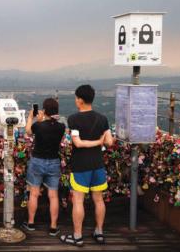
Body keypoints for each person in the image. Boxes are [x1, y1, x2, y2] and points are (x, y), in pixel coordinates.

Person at [60, 84, 114, 247]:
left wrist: (96, 141)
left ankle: (77, 236)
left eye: (76, 98)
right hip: (98, 164)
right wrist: (100, 141)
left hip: (81, 166)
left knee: (78, 200)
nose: (76, 101)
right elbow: (110, 142)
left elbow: (78, 143)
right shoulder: (103, 118)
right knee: (98, 199)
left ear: (81, 100)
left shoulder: (73, 119)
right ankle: (99, 232)